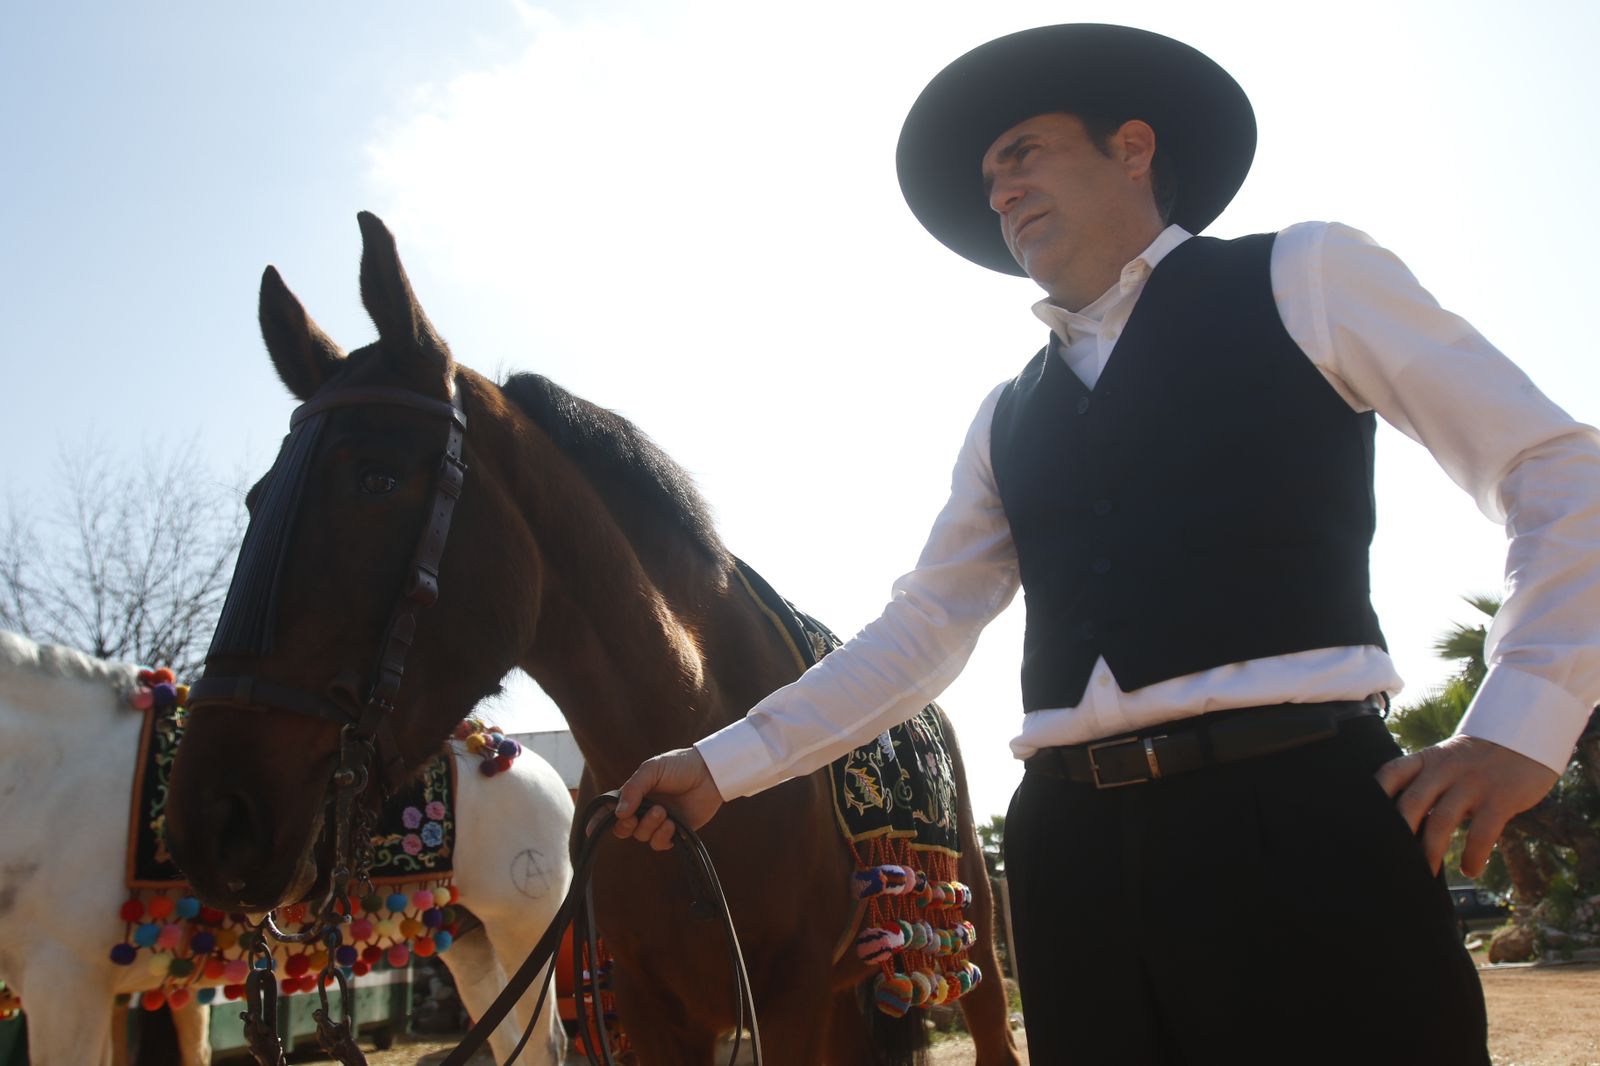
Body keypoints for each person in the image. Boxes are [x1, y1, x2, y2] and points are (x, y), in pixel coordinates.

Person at [607, 24, 1600, 1065]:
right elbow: (922, 630)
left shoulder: (1306, 272)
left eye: (1022, 153)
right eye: (989, 179)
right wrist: (719, 765)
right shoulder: (1005, 414)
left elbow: (1554, 466)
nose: (1000, 192)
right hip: (1070, 859)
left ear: (1132, 147)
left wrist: (1522, 721)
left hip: (1298, 816)